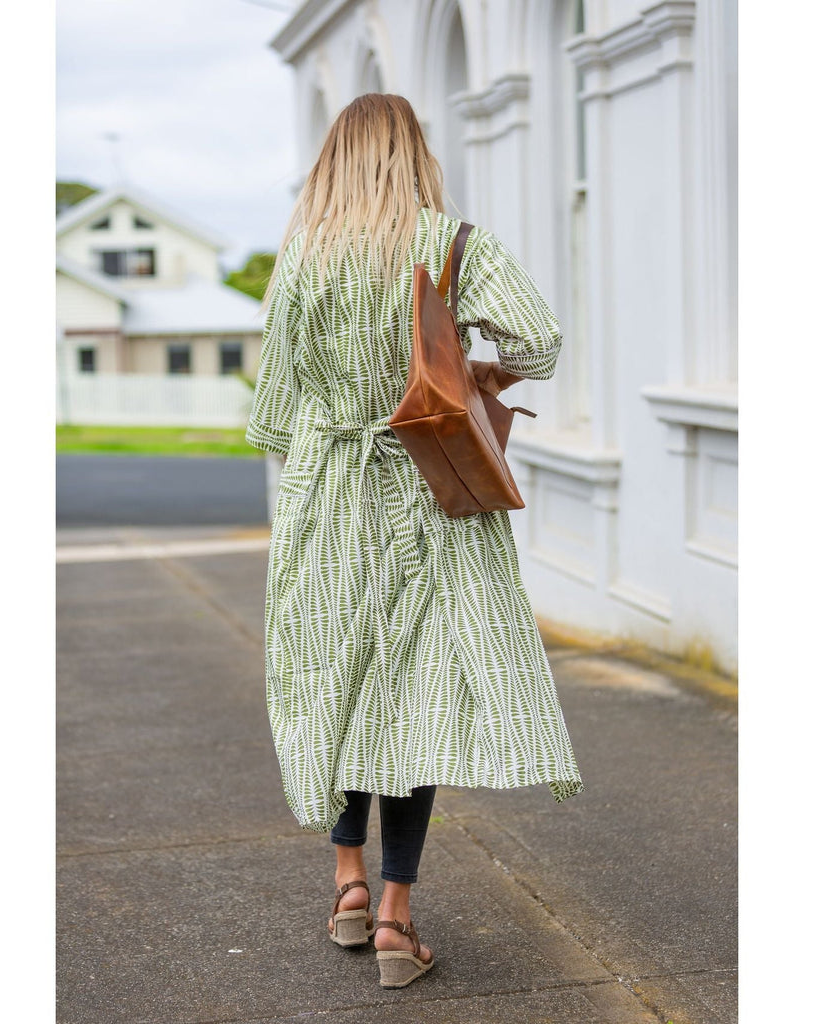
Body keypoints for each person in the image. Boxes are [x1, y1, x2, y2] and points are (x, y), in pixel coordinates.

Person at [245, 93, 583, 989]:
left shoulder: (301, 258)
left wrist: (335, 412)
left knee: (337, 682)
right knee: (413, 698)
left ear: (335, 159)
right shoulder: (448, 241)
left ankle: (347, 885)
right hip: (426, 494)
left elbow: (274, 418)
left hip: (327, 500)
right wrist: (481, 369)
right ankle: (396, 918)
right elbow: (541, 342)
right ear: (412, 154)